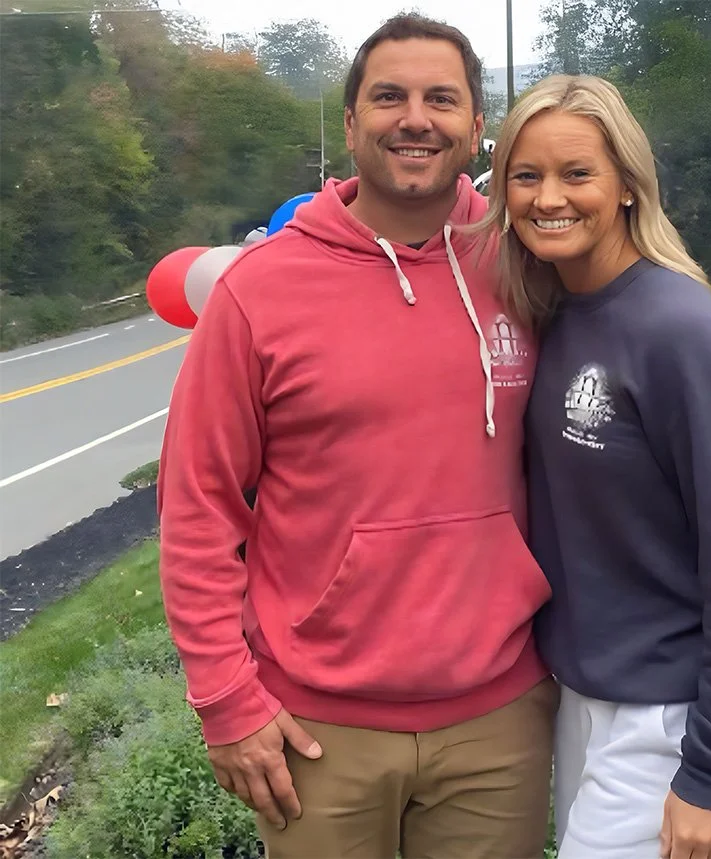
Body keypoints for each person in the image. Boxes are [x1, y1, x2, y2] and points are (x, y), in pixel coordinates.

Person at [156, 14, 557, 859]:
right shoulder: (260, 292)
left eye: (441, 99)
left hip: (499, 721)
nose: (416, 118)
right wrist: (226, 699)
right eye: (389, 97)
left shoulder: (523, 265)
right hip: (317, 730)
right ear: (350, 123)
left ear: (476, 126)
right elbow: (198, 508)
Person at [473, 74, 711, 859]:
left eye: (577, 173)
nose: (550, 196)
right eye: (526, 174)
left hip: (678, 715)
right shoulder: (561, 310)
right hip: (589, 694)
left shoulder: (681, 332)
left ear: (625, 186)